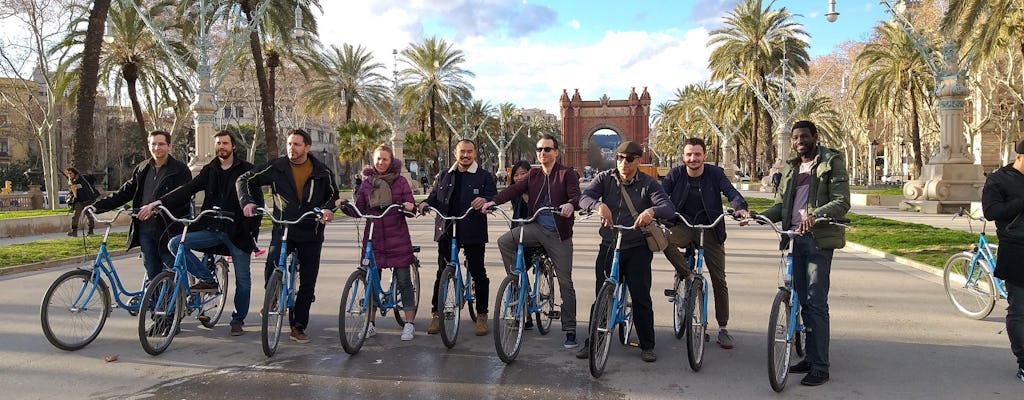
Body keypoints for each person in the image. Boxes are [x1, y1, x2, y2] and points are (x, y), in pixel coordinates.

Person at [758, 120, 850, 386]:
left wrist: (816, 215)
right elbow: (781, 206)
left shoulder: (831, 162)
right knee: (800, 297)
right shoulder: (791, 167)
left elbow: (842, 201)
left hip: (819, 239)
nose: (799, 141)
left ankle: (820, 366)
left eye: (804, 137)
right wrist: (759, 216)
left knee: (815, 302)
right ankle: (810, 357)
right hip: (795, 239)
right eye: (796, 137)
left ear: (815, 137)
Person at [145, 130, 261, 336]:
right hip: (211, 228)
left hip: (238, 233)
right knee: (175, 244)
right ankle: (207, 278)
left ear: (233, 146)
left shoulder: (247, 170)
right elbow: (188, 188)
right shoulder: (210, 170)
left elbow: (256, 204)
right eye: (218, 143)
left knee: (243, 279)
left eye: (225, 143)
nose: (221, 147)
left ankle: (237, 319)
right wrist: (160, 201)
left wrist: (251, 230)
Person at [237, 128, 339, 344]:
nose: (292, 148)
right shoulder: (277, 166)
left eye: (297, 144)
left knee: (308, 281)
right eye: (289, 144)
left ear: (307, 147)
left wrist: (328, 209)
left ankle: (298, 325)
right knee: (273, 264)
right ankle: (272, 297)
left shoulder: (322, 171)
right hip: (283, 228)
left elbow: (333, 195)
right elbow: (244, 180)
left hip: (311, 231)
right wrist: (247, 202)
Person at [480, 134, 582, 348]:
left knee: (565, 282)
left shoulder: (566, 173)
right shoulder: (533, 174)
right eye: (539, 149)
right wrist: (493, 202)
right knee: (505, 241)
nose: (543, 153)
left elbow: (575, 196)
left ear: (556, 152)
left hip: (558, 234)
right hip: (535, 227)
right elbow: (513, 190)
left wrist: (570, 205)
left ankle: (570, 329)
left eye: (547, 149)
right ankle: (517, 283)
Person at [577, 141, 674, 362]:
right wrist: (597, 205)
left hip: (637, 247)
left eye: (629, 159)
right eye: (619, 158)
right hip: (610, 244)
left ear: (639, 160)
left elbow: (668, 208)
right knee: (602, 294)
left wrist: (651, 210)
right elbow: (584, 198)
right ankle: (593, 341)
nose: (623, 163)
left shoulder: (649, 183)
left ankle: (647, 344)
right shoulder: (605, 178)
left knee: (640, 297)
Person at [660, 137, 750, 349]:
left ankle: (723, 328)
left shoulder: (715, 174)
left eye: (697, 154)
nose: (693, 159)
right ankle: (687, 275)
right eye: (689, 154)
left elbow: (731, 193)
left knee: (719, 280)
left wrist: (740, 207)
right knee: (663, 238)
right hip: (683, 225)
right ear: (683, 157)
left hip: (711, 228)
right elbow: (661, 196)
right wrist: (656, 211)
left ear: (704, 156)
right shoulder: (675, 174)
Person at [417, 139, 497, 336]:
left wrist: (486, 200)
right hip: (446, 227)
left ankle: (482, 315)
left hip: (473, 229)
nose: (466, 156)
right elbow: (434, 196)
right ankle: (436, 314)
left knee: (478, 272)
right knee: (442, 271)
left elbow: (493, 196)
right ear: (455, 153)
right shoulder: (444, 174)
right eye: (462, 152)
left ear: (475, 153)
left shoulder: (484, 176)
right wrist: (425, 204)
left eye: (470, 152)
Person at [338, 145, 418, 341]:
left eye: (385, 159)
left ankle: (409, 324)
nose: (381, 162)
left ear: (391, 162)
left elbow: (411, 209)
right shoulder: (366, 183)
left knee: (405, 282)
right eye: (378, 159)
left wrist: (409, 206)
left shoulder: (400, 182)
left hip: (397, 238)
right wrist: (344, 206)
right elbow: (359, 210)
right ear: (373, 160)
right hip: (373, 238)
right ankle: (370, 323)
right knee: (371, 283)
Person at [87, 130, 191, 280]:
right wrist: (97, 206)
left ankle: (175, 302)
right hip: (145, 229)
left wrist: (156, 208)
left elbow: (181, 196)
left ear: (169, 146)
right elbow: (124, 192)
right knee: (152, 273)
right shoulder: (142, 168)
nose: (157, 148)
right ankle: (153, 303)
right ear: (148, 146)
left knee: (171, 274)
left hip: (169, 229)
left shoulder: (180, 170)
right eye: (153, 144)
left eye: (161, 144)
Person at [981, 140, 1024, 383]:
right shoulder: (998, 180)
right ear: (1020, 156)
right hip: (1017, 250)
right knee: (1020, 310)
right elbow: (991, 211)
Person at [66, 167, 98, 236]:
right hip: (78, 201)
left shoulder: (83, 177)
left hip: (87, 200)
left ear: (74, 173)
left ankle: (91, 231)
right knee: (75, 216)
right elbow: (72, 192)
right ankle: (74, 231)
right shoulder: (70, 181)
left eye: (70, 173)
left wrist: (91, 175)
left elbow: (93, 180)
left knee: (89, 216)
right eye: (68, 174)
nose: (69, 175)